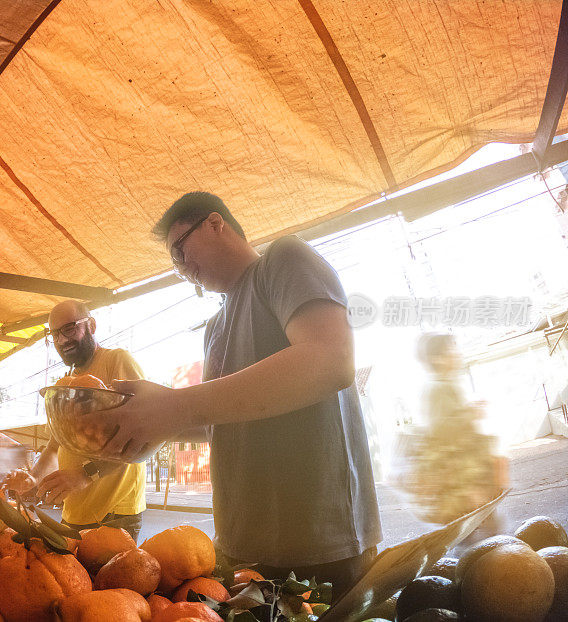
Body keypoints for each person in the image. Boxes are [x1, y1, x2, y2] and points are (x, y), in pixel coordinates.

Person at [79, 192, 382, 595]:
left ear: (215, 223)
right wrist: (152, 429)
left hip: (319, 544)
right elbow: (222, 422)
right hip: (238, 548)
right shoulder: (215, 327)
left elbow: (331, 358)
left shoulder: (282, 261)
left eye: (180, 251)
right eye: (174, 263)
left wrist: (174, 407)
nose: (182, 269)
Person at [4, 300, 147, 541]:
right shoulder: (66, 381)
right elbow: (54, 445)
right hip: (73, 513)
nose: (62, 340)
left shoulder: (116, 361)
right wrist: (33, 477)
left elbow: (142, 433)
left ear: (91, 325)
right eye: (54, 334)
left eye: (69, 329)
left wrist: (85, 475)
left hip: (114, 514)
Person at [407, 334, 505, 527]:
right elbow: (443, 432)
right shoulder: (437, 389)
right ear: (437, 358)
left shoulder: (446, 386)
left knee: (482, 534)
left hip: (466, 484)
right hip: (459, 485)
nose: (457, 353)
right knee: (480, 537)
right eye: (451, 349)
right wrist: (471, 413)